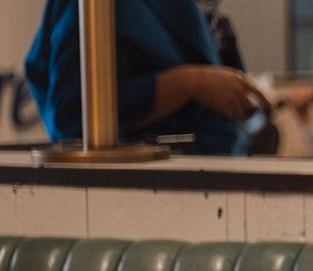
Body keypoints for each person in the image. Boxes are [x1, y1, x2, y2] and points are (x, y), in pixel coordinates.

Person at [25, 0, 266, 155]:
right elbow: (76, 117)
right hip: (148, 188)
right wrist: (190, 83)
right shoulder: (96, 8)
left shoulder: (207, 13)